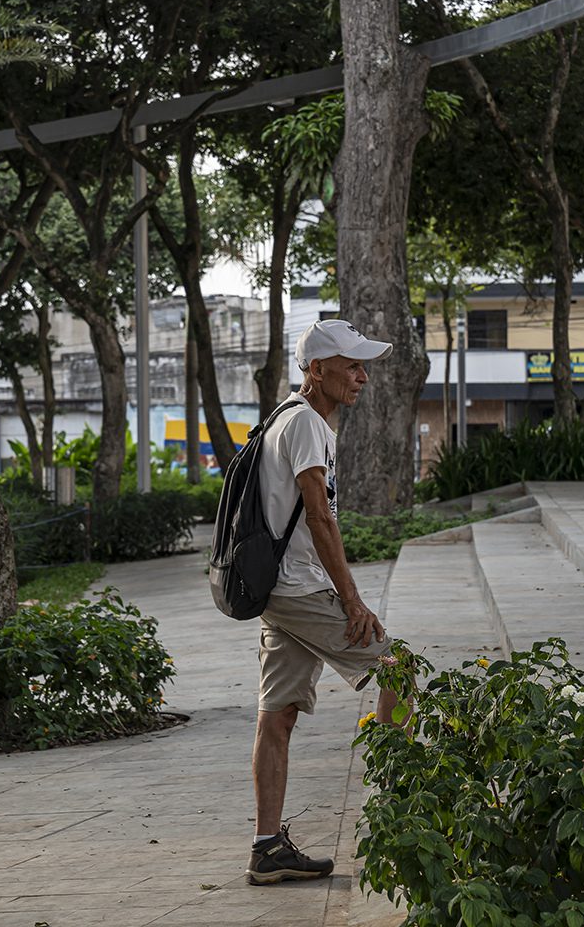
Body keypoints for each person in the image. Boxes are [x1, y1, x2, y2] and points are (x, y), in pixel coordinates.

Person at [247, 318, 399, 887]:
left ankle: (267, 849)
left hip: (277, 590)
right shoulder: (307, 423)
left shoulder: (284, 417)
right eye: (352, 366)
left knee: (278, 715)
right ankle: (395, 811)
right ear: (317, 370)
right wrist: (352, 600)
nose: (362, 376)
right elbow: (319, 514)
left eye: (364, 366)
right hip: (299, 587)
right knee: (400, 671)